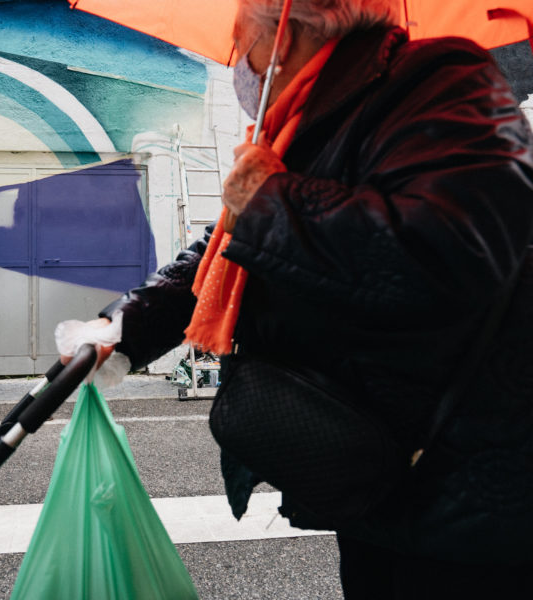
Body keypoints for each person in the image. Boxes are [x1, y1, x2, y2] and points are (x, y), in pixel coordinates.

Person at [64, 0, 533, 598]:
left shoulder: (443, 80)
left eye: (244, 44)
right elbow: (227, 247)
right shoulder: (310, 121)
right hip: (377, 469)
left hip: (464, 492)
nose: (242, 65)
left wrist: (269, 200)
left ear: (282, 36)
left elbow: (451, 253)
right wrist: (122, 330)